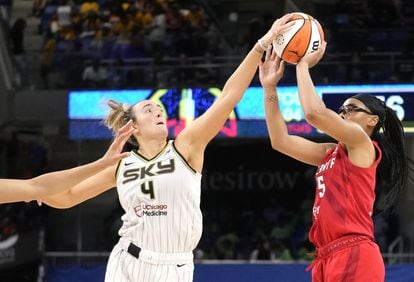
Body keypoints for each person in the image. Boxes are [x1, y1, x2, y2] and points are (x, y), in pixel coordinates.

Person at [39, 14, 294, 282]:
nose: (159, 111)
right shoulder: (122, 164)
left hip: (176, 267)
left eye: (160, 109)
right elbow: (68, 196)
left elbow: (229, 95)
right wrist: (36, 193)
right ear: (134, 128)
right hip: (129, 262)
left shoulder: (186, 146)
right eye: (149, 109)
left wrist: (261, 44)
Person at [259, 44, 414, 281]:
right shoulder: (330, 152)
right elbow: (280, 141)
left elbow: (315, 114)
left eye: (352, 109)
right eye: (342, 109)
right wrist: (269, 87)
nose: (344, 113)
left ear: (372, 120)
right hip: (325, 256)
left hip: (354, 251)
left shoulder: (363, 143)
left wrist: (302, 65)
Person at [0, 122, 133, 204]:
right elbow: (54, 192)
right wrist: (102, 164)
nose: (154, 114)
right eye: (149, 110)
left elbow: (38, 188)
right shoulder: (121, 169)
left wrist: (44, 192)